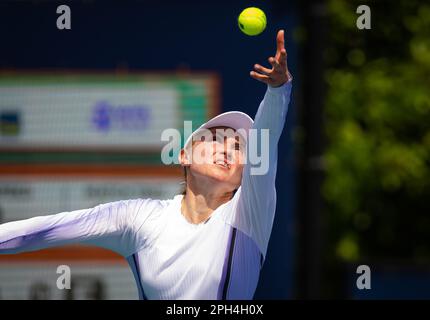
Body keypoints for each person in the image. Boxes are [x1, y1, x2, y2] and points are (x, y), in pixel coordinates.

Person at [0, 29, 292, 300]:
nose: (228, 149)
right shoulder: (140, 219)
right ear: (184, 156)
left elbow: (267, 139)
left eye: (239, 147)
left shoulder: (249, 214)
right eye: (216, 139)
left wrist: (278, 91)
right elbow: (47, 229)